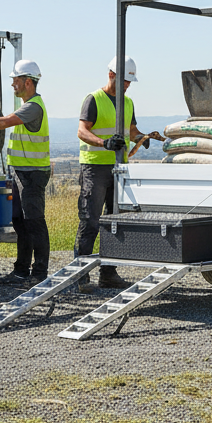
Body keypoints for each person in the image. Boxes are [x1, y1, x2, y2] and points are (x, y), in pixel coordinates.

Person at [76, 57, 163, 291]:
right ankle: (79, 275)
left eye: (129, 82)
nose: (127, 85)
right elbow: (82, 131)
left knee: (115, 222)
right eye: (124, 80)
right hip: (95, 168)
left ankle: (108, 274)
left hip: (118, 169)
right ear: (111, 75)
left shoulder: (128, 103)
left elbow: (131, 130)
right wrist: (103, 143)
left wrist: (141, 138)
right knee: (90, 221)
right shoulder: (93, 99)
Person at [0, 59, 51, 286]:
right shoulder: (27, 105)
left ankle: (39, 274)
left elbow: (4, 122)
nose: (12, 85)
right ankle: (21, 271)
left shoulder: (33, 106)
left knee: (34, 222)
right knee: (20, 222)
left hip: (32, 174)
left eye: (16, 80)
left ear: (28, 82)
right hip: (21, 172)